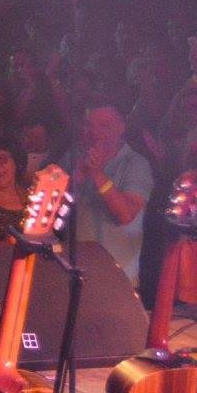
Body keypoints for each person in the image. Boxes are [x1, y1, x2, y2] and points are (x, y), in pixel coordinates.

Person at [69, 101, 153, 284]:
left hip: (116, 279)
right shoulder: (72, 158)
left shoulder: (136, 164)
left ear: (121, 127)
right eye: (89, 125)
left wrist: (97, 174)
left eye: (104, 126)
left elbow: (125, 216)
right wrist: (78, 176)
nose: (94, 132)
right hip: (74, 273)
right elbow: (52, 210)